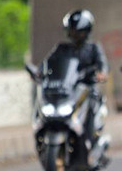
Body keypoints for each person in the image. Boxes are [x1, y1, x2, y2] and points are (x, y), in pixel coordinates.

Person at [43, 9, 109, 145]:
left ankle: (90, 137)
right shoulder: (61, 48)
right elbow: (47, 62)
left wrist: (102, 73)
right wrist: (39, 72)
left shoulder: (93, 48)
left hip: (86, 89)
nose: (75, 34)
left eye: (79, 31)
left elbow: (102, 64)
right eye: (73, 31)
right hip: (67, 88)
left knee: (93, 103)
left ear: (86, 31)